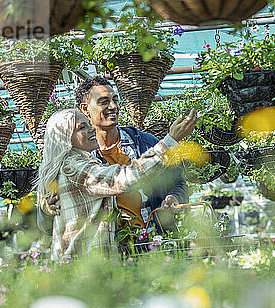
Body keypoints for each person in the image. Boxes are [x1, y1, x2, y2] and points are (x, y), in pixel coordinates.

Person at [37, 108, 197, 259]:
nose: (92, 129)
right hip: (85, 267)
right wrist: (170, 141)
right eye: (82, 127)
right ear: (65, 138)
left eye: (88, 123)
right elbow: (122, 179)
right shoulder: (73, 167)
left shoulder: (73, 164)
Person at [46, 76, 188, 227]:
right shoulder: (79, 159)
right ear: (85, 109)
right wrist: (46, 208)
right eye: (104, 102)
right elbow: (47, 223)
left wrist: (175, 197)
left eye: (115, 99)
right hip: (110, 246)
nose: (113, 106)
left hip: (155, 239)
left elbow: (178, 182)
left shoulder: (145, 143)